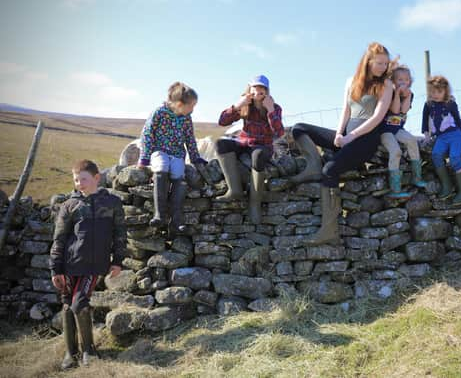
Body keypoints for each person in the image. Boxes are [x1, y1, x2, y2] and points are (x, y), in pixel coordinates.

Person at [290, 42, 394, 245]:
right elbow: (346, 111)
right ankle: (313, 167)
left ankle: (329, 230)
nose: (384, 68)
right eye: (380, 63)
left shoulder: (386, 85)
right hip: (346, 135)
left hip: (366, 139)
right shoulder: (351, 81)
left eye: (386, 64)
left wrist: (350, 137)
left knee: (330, 169)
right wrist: (338, 134)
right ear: (368, 61)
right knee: (299, 128)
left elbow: (377, 118)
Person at [49, 160, 126, 369]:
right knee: (67, 307)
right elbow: (59, 239)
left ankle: (89, 352)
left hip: (94, 266)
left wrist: (118, 261)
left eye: (83, 179)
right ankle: (70, 353)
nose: (79, 183)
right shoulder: (69, 206)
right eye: (76, 179)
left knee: (80, 304)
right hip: (69, 264)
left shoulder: (112, 203)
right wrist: (56, 268)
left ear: (97, 178)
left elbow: (120, 234)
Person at [137, 82, 206, 234]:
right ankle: (159, 214)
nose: (193, 109)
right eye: (192, 106)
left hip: (177, 153)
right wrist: (144, 158)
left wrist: (195, 157)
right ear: (180, 104)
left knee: (179, 176)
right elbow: (147, 134)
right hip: (159, 150)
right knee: (161, 169)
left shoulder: (186, 118)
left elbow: (189, 138)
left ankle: (176, 219)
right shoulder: (159, 112)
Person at [215, 75, 284, 224]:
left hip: (263, 145)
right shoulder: (245, 105)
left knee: (258, 156)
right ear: (250, 89)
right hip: (244, 142)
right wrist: (237, 105)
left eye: (262, 88)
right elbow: (222, 122)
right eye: (255, 87)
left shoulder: (275, 107)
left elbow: (279, 133)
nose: (258, 91)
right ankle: (235, 190)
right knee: (221, 144)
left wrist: (270, 110)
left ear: (266, 91)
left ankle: (255, 204)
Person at [422, 75, 461, 207]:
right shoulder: (428, 105)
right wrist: (426, 135)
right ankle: (447, 186)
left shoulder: (451, 104)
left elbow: (458, 121)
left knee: (455, 158)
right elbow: (425, 120)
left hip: (456, 135)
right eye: (432, 91)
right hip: (441, 137)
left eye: (439, 92)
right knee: (436, 155)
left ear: (445, 91)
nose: (435, 95)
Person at [380, 64, 426, 198]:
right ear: (393, 82)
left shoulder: (410, 94)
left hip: (398, 129)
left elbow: (404, 110)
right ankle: (395, 188)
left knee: (412, 141)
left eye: (406, 80)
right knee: (396, 151)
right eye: (399, 80)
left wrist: (407, 96)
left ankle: (416, 178)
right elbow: (395, 110)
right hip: (384, 131)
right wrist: (397, 95)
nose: (403, 82)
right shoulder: (389, 93)